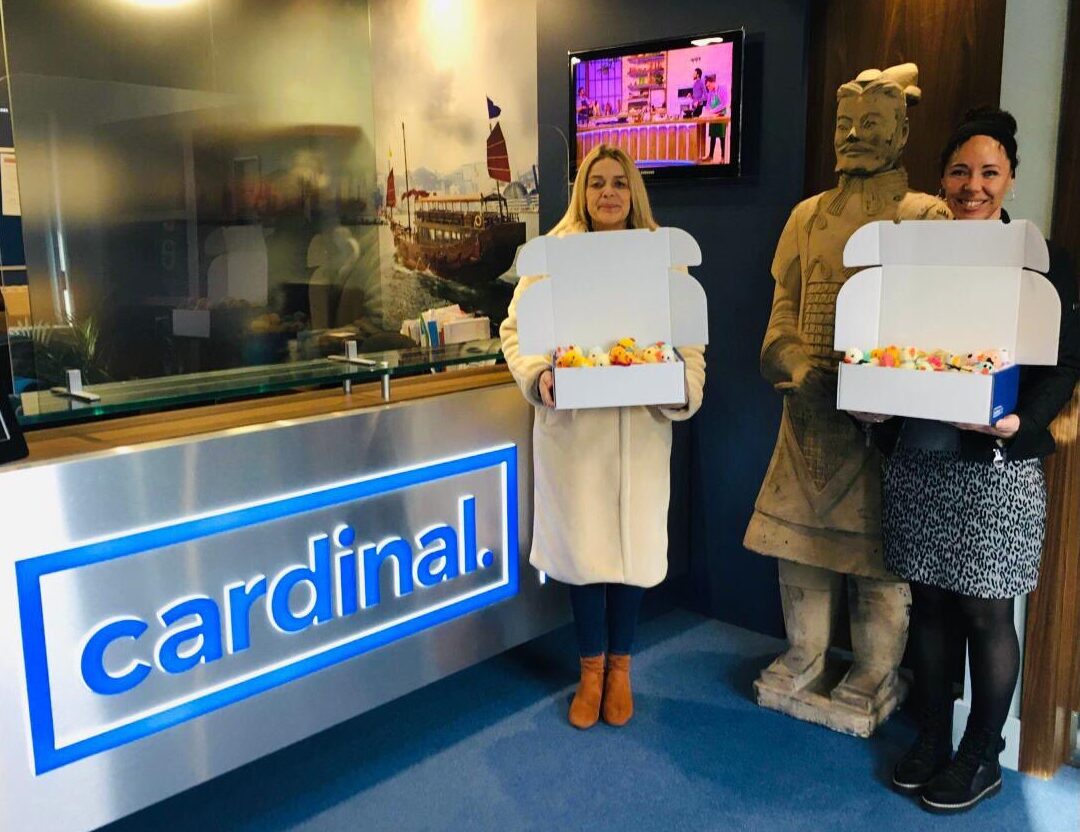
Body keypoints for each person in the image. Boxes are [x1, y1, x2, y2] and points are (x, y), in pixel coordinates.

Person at [857, 107, 1080, 813]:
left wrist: (1021, 423)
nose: (972, 185)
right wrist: (873, 403)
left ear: (1010, 178)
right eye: (960, 170)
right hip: (920, 458)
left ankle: (982, 753)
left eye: (988, 172)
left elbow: (1065, 361)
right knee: (925, 601)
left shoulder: (1043, 260)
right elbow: (884, 342)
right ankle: (930, 737)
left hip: (996, 465)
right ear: (941, 179)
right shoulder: (912, 254)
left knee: (986, 612)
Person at [744, 64, 949, 736]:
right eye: (845, 126)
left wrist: (883, 383)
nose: (855, 136)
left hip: (881, 428)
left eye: (871, 126)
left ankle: (873, 668)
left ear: (901, 134)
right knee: (799, 546)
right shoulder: (805, 218)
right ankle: (804, 653)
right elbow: (778, 322)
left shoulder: (923, 216)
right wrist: (799, 365)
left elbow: (936, 327)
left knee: (876, 555)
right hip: (806, 417)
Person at [499, 144, 706, 729]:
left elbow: (691, 345)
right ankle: (590, 672)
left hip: (640, 430)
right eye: (597, 184)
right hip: (577, 437)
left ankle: (622, 669)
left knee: (632, 556)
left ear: (633, 192)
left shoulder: (664, 260)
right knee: (586, 557)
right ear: (582, 193)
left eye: (619, 183)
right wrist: (537, 376)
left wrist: (683, 388)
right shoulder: (551, 259)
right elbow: (516, 332)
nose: (608, 193)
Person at [701, 78, 729, 162]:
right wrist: (705, 112)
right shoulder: (710, 92)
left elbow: (724, 103)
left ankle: (723, 158)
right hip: (713, 116)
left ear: (713, 83)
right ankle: (710, 156)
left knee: (721, 137)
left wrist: (712, 111)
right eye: (707, 86)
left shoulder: (722, 88)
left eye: (709, 85)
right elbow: (708, 104)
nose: (708, 87)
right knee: (712, 136)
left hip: (721, 116)